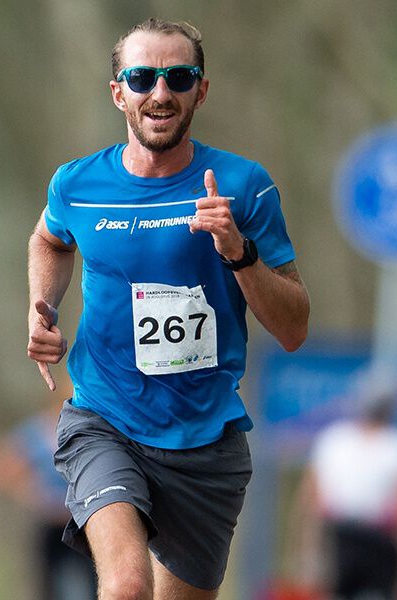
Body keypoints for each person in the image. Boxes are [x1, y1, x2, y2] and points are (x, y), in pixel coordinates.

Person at [25, 18, 310, 600]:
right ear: (118, 92)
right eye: (142, 77)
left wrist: (239, 254)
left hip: (205, 438)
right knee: (126, 587)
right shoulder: (77, 184)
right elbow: (49, 240)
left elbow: (294, 326)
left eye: (178, 77)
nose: (160, 92)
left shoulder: (244, 186)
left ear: (200, 90)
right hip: (105, 419)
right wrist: (42, 307)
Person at [299, 397, 397, 600]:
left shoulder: (333, 439)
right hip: (371, 538)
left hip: (347, 538)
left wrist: (307, 552)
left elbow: (308, 501)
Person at [0, 388, 98, 600]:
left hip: (86, 523)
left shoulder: (90, 427)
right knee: (52, 586)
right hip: (52, 526)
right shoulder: (38, 430)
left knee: (94, 584)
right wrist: (35, 494)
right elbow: (1, 467)